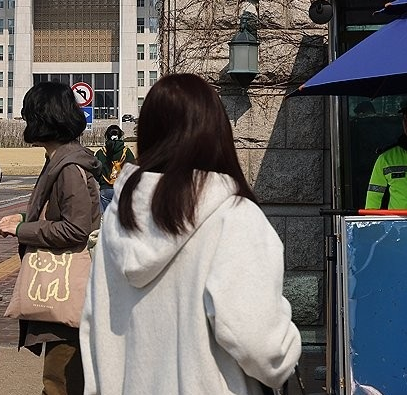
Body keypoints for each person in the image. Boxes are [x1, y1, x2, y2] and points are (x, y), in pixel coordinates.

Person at [80, 73, 301, 394]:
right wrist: (289, 340)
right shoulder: (232, 216)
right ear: (217, 133)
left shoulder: (118, 218)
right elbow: (264, 348)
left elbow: (93, 329)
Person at [0, 80, 100, 395]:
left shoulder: (68, 167)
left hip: (68, 287)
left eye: (29, 114)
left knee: (60, 381)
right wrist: (27, 219)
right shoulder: (60, 160)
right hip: (64, 285)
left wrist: (22, 229)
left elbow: (75, 228)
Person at [94, 124, 135, 212]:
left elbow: (95, 170)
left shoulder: (100, 153)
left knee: (106, 219)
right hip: (122, 188)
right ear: (120, 136)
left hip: (105, 189)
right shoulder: (126, 151)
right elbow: (133, 169)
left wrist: (101, 180)